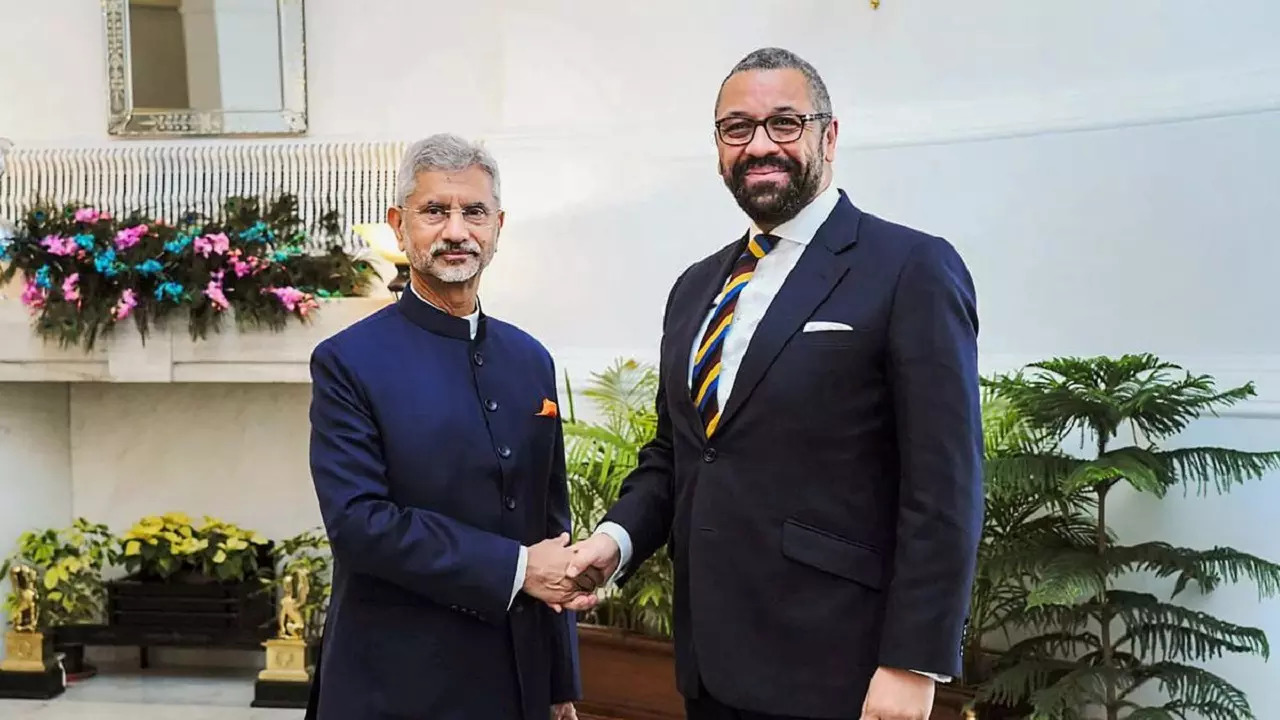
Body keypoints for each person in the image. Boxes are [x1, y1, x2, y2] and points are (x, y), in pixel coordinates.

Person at [563, 48, 984, 720]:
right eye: (737, 128)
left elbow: (946, 485)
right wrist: (613, 544)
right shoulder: (695, 287)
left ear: (829, 136)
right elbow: (679, 455)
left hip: (840, 670)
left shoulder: (911, 268)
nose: (760, 145)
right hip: (710, 667)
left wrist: (912, 662)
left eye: (784, 123)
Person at [306, 133, 583, 720]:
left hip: (518, 682)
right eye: (435, 211)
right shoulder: (348, 361)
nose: (456, 231)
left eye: (474, 212)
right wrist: (516, 569)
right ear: (399, 225)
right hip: (396, 686)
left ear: (498, 225)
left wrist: (560, 682)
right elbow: (360, 524)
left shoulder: (531, 359)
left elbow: (550, 526)